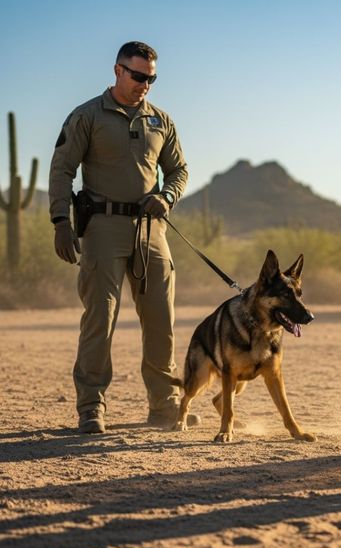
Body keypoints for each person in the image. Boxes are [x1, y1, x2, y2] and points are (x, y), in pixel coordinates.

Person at [49, 41, 198, 434]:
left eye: (151, 78)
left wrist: (166, 197)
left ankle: (165, 405)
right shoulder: (87, 116)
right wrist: (61, 221)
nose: (144, 85)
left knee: (161, 319)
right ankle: (91, 407)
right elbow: (62, 170)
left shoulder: (160, 120)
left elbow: (179, 170)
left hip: (152, 231)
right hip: (102, 228)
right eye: (138, 76)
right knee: (101, 317)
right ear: (118, 71)